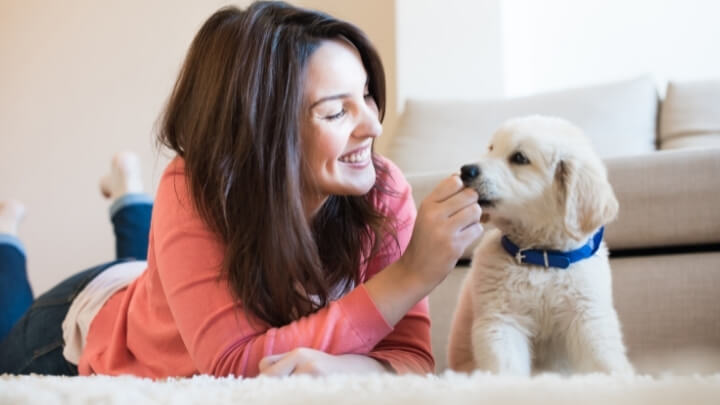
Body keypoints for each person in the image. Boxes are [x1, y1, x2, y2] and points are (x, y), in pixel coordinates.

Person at [0, 1, 482, 378]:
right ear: (263, 131)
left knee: (155, 277)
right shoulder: (197, 183)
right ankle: (9, 236)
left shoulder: (381, 190)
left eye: (368, 97)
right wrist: (411, 275)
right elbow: (230, 366)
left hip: (156, 290)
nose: (373, 125)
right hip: (81, 325)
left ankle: (127, 198)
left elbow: (411, 360)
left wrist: (346, 367)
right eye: (337, 112)